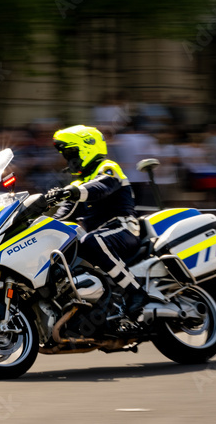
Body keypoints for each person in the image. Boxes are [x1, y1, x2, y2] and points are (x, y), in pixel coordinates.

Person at [46, 125, 148, 320]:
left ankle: (136, 292)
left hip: (123, 229)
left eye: (71, 153)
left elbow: (100, 188)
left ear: (87, 147)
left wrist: (72, 192)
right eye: (66, 155)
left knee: (89, 241)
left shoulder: (108, 168)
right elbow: (61, 217)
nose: (69, 160)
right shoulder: (77, 185)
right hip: (100, 238)